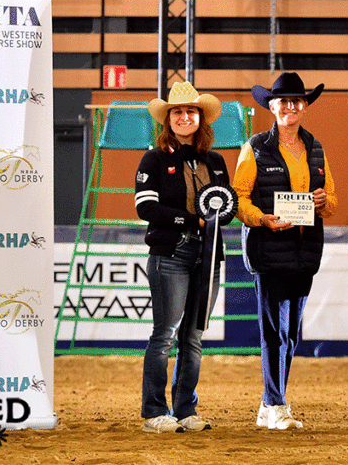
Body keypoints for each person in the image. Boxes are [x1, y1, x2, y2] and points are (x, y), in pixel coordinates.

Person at [233, 72, 338, 430]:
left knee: (291, 332)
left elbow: (332, 200)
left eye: (297, 101)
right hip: (268, 248)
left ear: (305, 106)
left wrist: (324, 202)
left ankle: (269, 403)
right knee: (273, 331)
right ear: (272, 107)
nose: (291, 106)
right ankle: (276, 403)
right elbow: (238, 199)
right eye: (284, 101)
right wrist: (262, 219)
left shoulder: (317, 148)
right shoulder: (255, 147)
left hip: (305, 251)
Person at [135, 81, 228, 433]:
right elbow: (146, 207)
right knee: (165, 333)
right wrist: (194, 220)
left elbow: (227, 204)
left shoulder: (216, 161)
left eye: (191, 111)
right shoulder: (154, 159)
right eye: (177, 112)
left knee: (193, 336)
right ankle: (154, 412)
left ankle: (186, 409)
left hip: (208, 255)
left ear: (200, 119)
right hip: (170, 254)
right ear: (168, 120)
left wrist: (217, 218)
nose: (184, 117)